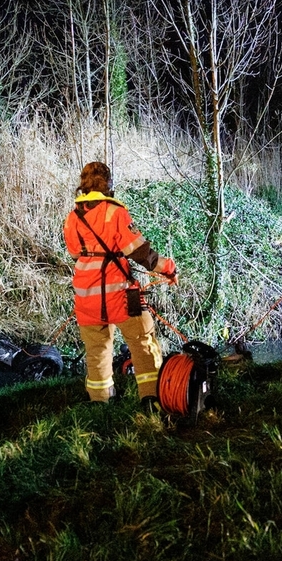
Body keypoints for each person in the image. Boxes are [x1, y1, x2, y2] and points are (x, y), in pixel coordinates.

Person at [63, 162, 177, 406]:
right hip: (120, 294)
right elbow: (140, 253)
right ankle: (151, 397)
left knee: (96, 350)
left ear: (83, 185)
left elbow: (75, 253)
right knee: (142, 340)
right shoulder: (115, 212)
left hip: (86, 295)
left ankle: (100, 400)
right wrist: (168, 268)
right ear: (109, 184)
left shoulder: (72, 217)